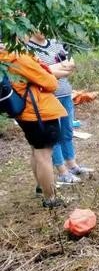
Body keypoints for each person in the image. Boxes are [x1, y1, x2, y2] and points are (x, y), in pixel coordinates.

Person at [1, 49, 67, 207]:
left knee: (36, 151)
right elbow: (51, 83)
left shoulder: (4, 57)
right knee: (44, 155)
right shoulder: (18, 57)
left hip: (25, 111)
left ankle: (41, 187)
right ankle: (50, 199)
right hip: (38, 111)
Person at [26, 34, 94, 186]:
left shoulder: (56, 43)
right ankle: (62, 171)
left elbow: (70, 64)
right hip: (47, 98)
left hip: (65, 93)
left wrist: (50, 70)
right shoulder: (28, 48)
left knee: (67, 131)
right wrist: (52, 70)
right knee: (53, 136)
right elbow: (36, 73)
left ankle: (72, 165)